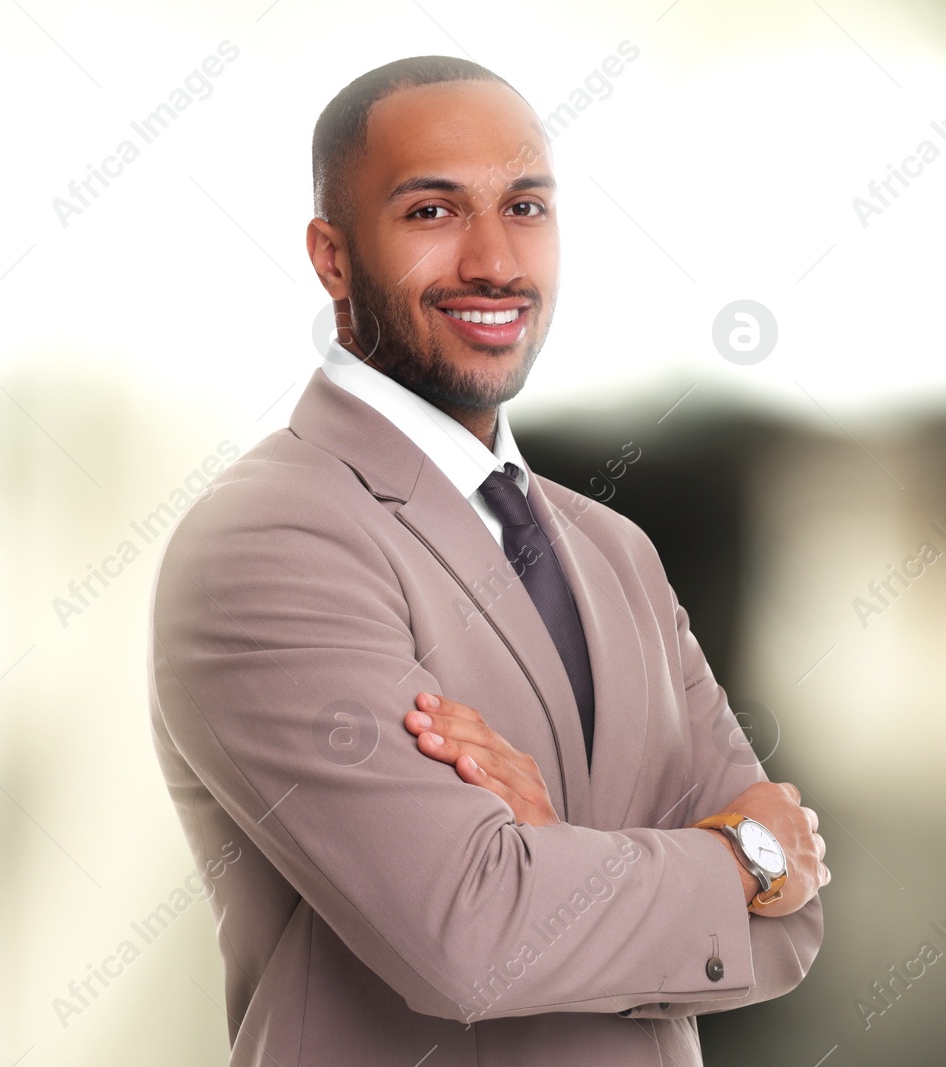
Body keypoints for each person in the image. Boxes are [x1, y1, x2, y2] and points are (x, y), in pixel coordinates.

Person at [147, 56, 826, 1066]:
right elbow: (474, 937)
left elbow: (792, 932)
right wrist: (736, 859)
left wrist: (555, 855)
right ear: (332, 257)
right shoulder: (271, 538)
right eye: (431, 212)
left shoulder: (614, 550)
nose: (494, 260)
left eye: (524, 207)